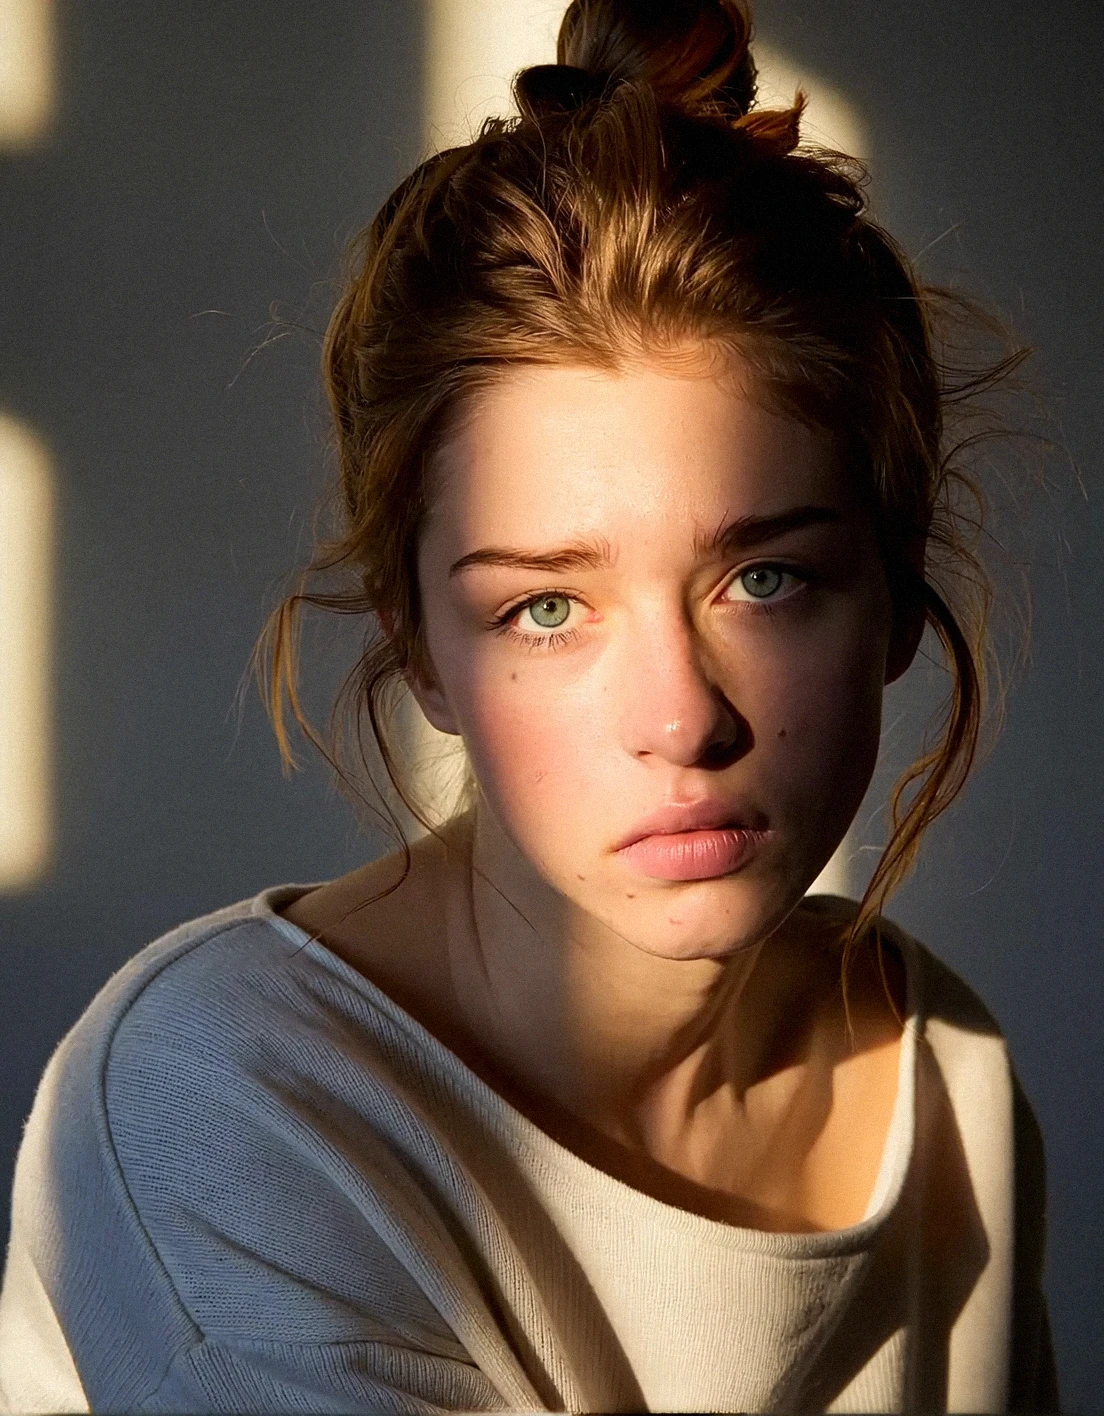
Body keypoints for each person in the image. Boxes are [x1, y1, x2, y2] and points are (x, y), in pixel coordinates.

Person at [0, 0, 1057, 1411]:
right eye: (545, 608)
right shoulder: (230, 1108)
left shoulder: (944, 1074)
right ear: (420, 649)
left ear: (893, 594)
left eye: (767, 578)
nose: (682, 721)